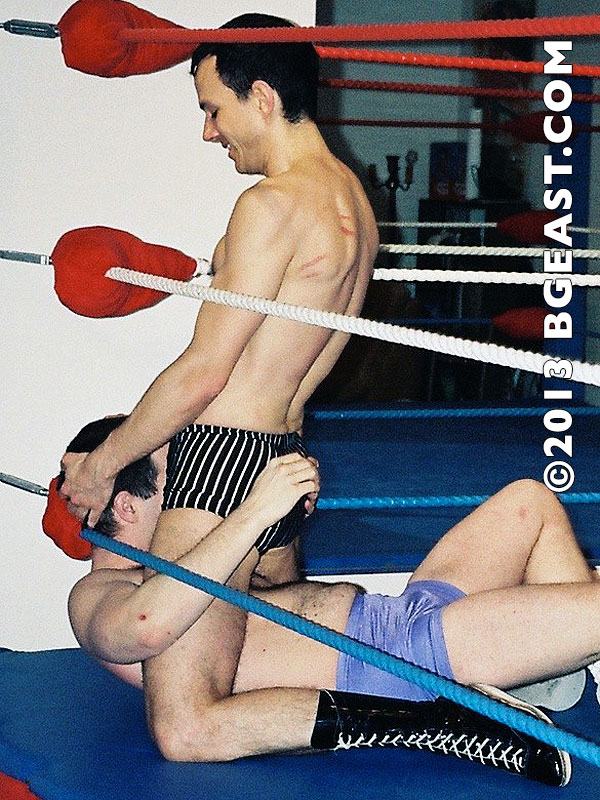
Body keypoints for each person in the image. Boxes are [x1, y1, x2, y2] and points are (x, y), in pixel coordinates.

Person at [59, 13, 378, 783]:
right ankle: (434, 698)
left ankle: (432, 724)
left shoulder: (271, 205)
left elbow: (204, 373)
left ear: (262, 97)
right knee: (262, 667)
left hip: (222, 462)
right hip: (284, 455)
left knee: (186, 725)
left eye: (213, 109)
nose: (210, 133)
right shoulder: (357, 205)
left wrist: (103, 464)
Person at [63, 416, 600, 787]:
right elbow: (144, 624)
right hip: (404, 661)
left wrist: (285, 523)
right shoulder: (99, 593)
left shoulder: (200, 555)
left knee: (529, 502)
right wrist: (251, 513)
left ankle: (546, 671)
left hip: (398, 614)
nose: (195, 493)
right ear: (127, 507)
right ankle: (532, 665)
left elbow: (280, 590)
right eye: (180, 481)